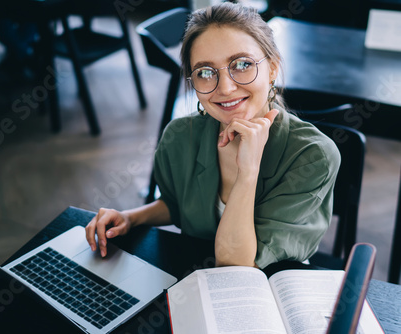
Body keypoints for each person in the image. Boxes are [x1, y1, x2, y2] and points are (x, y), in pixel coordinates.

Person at [85, 2, 340, 269]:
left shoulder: (313, 155)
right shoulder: (179, 136)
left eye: (242, 64)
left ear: (273, 68)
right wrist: (130, 218)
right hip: (195, 276)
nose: (227, 88)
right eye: (205, 72)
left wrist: (248, 171)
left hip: (269, 285)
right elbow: (177, 204)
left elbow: (237, 265)